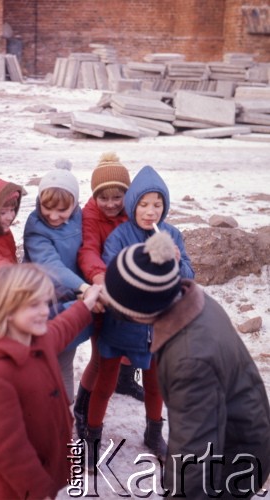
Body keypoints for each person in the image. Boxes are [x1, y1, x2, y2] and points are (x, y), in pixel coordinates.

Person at [102, 230, 270, 498]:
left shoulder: (189, 359)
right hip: (243, 432)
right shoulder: (192, 301)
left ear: (139, 314)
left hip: (232, 461)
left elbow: (195, 453)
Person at [85, 165, 195, 465]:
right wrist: (142, 260)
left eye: (157, 205)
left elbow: (189, 276)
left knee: (155, 381)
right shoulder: (121, 235)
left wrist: (175, 261)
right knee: (106, 381)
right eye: (144, 204)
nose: (151, 211)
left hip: (158, 325)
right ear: (132, 205)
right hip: (121, 323)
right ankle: (93, 435)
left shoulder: (172, 234)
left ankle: (153, 431)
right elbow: (112, 273)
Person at [0, 263, 102, 500]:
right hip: (15, 489)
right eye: (33, 305)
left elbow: (63, 326)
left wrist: (87, 302)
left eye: (45, 303)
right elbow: (9, 450)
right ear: (6, 309)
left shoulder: (36, 339)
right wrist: (39, 492)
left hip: (43, 470)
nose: (44, 311)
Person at [75, 152, 143, 440]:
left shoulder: (134, 210)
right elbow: (88, 248)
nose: (112, 204)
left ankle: (125, 381)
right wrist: (99, 277)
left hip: (131, 288)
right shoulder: (90, 213)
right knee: (101, 354)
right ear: (95, 197)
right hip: (101, 286)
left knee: (134, 340)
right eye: (105, 197)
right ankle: (82, 407)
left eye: (119, 197)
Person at [23, 159, 97, 402]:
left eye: (62, 210)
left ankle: (64, 416)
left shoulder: (80, 217)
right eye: (47, 207)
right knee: (44, 359)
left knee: (65, 356)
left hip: (73, 299)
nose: (53, 216)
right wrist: (84, 287)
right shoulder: (36, 227)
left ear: (74, 204)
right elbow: (50, 264)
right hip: (44, 303)